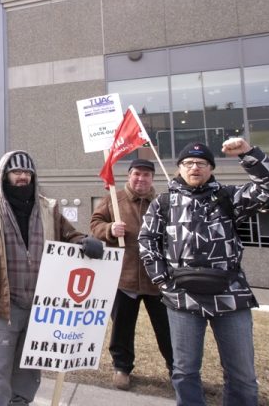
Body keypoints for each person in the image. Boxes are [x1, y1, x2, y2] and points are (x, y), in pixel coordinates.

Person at [139, 139, 269, 406]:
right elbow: (147, 240)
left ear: (211, 168)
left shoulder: (228, 197)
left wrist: (248, 154)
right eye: (188, 163)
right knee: (185, 372)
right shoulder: (163, 202)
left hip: (230, 295)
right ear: (179, 168)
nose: (195, 167)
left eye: (202, 163)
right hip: (182, 298)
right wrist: (162, 280)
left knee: (242, 375)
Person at [0, 150, 101, 406]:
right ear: (5, 175)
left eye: (27, 172)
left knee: (29, 369)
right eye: (17, 172)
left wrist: (84, 241)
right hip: (5, 305)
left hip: (41, 306)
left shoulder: (48, 208)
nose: (23, 177)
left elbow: (68, 235)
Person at [90, 158, 173, 390]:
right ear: (129, 176)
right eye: (137, 173)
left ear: (152, 178)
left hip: (157, 279)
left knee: (167, 327)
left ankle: (177, 369)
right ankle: (122, 367)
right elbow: (94, 224)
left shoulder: (163, 203)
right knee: (122, 328)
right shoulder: (113, 200)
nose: (141, 178)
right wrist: (108, 229)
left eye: (146, 175)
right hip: (124, 278)